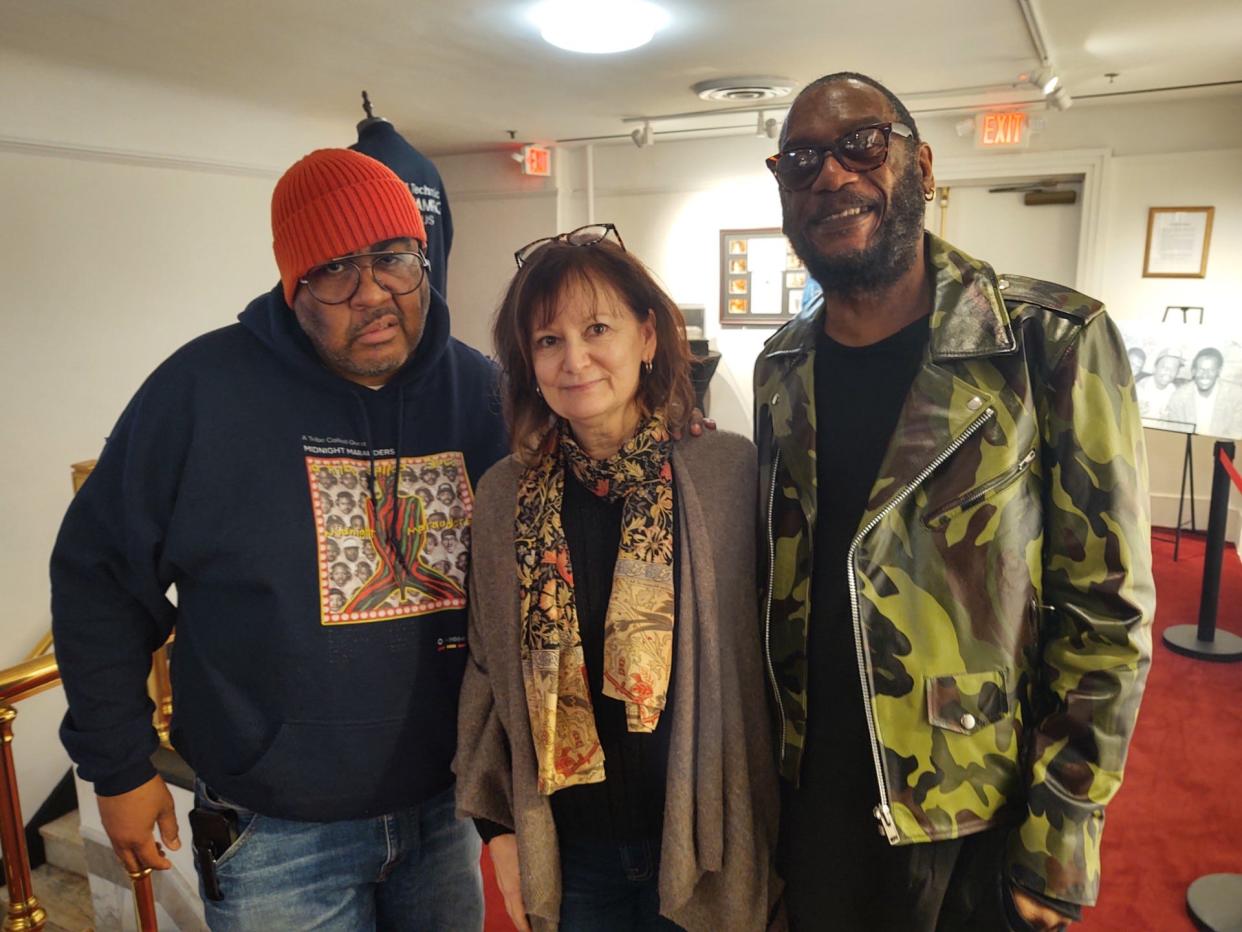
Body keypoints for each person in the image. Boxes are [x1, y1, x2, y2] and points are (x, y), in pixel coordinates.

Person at [51, 147, 509, 931]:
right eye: (334, 270)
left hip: (446, 809)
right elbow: (97, 576)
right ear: (293, 286)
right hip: (276, 832)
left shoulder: (481, 393)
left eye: (393, 259)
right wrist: (119, 766)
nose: (372, 293)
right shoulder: (199, 394)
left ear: (423, 261)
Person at [755, 73, 1155, 931]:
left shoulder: (1050, 342)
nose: (830, 175)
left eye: (861, 143)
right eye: (799, 159)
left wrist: (1062, 837)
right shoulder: (780, 366)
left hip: (971, 809)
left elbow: (1109, 612)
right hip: (815, 797)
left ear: (921, 164)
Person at [455, 226, 781, 932]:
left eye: (597, 328)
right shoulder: (504, 496)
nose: (575, 359)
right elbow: (485, 667)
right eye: (548, 340)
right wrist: (497, 829)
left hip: (705, 838)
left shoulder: (727, 473)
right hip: (574, 853)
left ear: (648, 336)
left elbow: (773, 656)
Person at [1166, 346, 1242, 438]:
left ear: (1219, 371)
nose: (1205, 375)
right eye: (1201, 369)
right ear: (1193, 371)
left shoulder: (1236, 395)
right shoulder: (1178, 397)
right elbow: (1175, 434)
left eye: (1211, 370)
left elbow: (1237, 433)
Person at [1135, 349, 1181, 420]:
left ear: (1177, 373)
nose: (1168, 371)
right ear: (1155, 368)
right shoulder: (1138, 389)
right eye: (1164, 367)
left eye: (1173, 369)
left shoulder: (1176, 393)